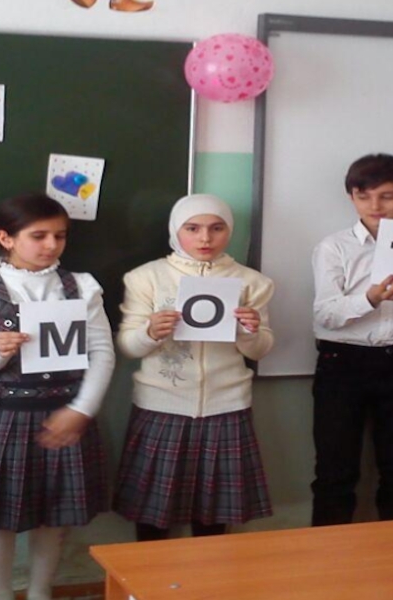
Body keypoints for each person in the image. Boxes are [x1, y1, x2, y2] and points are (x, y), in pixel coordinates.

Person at [0, 194, 115, 600]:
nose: (51, 245)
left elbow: (102, 352)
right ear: (6, 238)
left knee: (54, 516)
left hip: (64, 411)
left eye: (60, 235)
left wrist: (81, 409)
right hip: (4, 414)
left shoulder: (82, 286)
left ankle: (41, 591)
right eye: (38, 236)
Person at [113, 193, 274, 540]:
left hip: (226, 406)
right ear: (176, 230)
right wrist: (149, 332)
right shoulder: (146, 277)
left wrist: (248, 331)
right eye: (193, 228)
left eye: (217, 228)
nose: (205, 238)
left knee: (214, 516)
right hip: (161, 406)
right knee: (153, 514)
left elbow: (260, 349)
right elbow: (127, 345)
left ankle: (207, 573)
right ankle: (149, 575)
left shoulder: (252, 282)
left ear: (229, 231)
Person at [310, 153, 393, 527]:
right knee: (335, 470)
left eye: (387, 196)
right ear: (351, 197)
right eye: (363, 196)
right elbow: (325, 313)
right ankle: (327, 553)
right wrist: (369, 299)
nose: (375, 206)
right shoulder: (334, 247)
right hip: (342, 363)